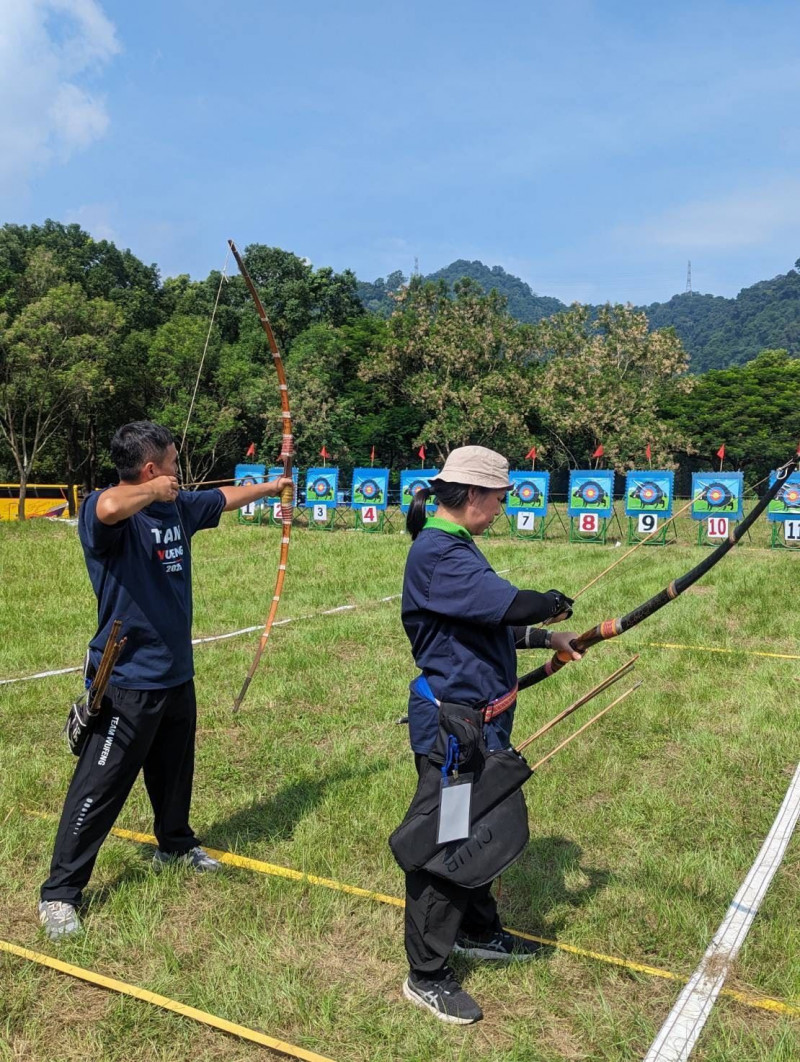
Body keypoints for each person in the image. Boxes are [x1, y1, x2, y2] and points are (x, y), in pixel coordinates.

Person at [39, 421, 292, 940]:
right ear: (151, 469)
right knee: (100, 785)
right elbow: (108, 507)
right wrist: (149, 492)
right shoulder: (107, 515)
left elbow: (220, 498)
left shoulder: (176, 505)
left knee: (175, 771)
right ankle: (60, 894)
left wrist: (269, 488)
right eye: (173, 463)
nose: (179, 471)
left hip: (176, 671)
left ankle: (174, 844)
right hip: (127, 677)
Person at [399, 445, 582, 1024]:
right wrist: (550, 607)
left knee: (478, 825)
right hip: (456, 729)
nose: (503, 506)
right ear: (473, 496)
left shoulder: (455, 547)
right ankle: (425, 973)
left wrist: (543, 639)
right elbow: (507, 605)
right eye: (500, 497)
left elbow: (479, 625)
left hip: (480, 721)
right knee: (449, 842)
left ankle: (478, 931)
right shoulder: (438, 552)